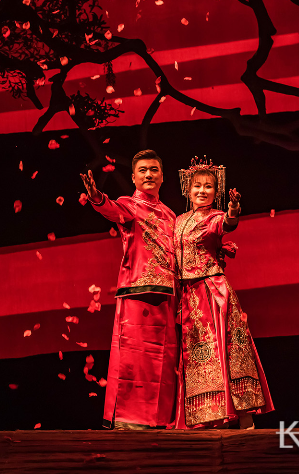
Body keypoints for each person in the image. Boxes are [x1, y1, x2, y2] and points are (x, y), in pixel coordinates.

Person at [172, 158, 274, 429]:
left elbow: (227, 225)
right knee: (198, 357)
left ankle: (244, 418)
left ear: (216, 193)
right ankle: (208, 419)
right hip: (189, 297)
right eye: (197, 186)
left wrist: (233, 211)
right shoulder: (179, 221)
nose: (202, 191)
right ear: (187, 190)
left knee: (226, 351)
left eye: (208, 187)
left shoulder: (215, 216)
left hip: (212, 292)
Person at [80, 149, 178, 430]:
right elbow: (110, 209)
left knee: (164, 359)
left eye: (154, 170)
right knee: (135, 357)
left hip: (167, 295)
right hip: (137, 292)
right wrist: (97, 198)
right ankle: (128, 419)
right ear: (134, 177)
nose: (149, 174)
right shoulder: (129, 206)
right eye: (143, 170)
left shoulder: (171, 215)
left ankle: (159, 419)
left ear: (162, 176)